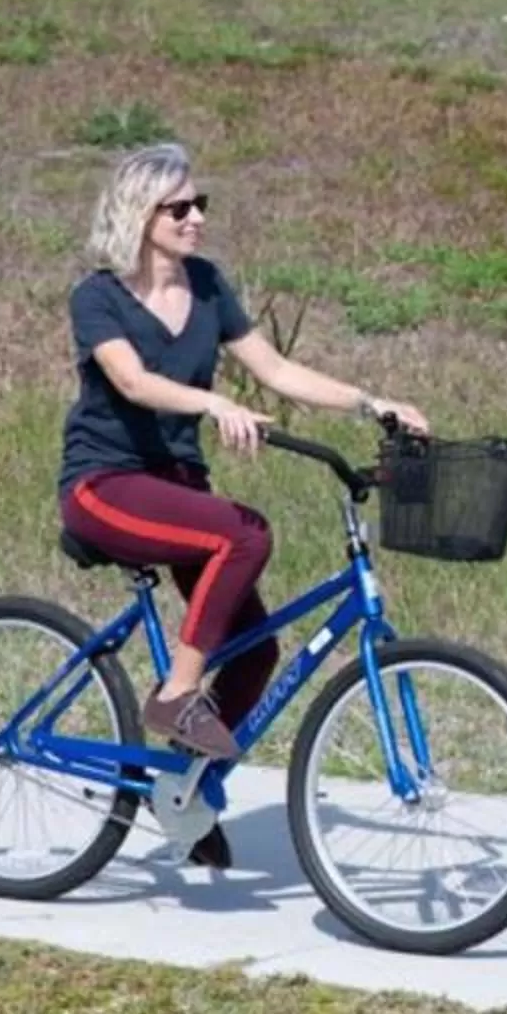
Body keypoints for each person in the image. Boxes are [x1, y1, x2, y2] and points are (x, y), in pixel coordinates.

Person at [55, 143, 426, 863]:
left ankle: (187, 794)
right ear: (140, 214)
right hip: (105, 484)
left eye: (202, 204)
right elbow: (131, 383)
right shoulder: (97, 297)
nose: (197, 218)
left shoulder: (207, 285)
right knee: (246, 534)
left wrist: (372, 404)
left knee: (257, 651)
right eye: (180, 207)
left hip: (176, 487)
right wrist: (214, 401)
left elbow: (278, 369)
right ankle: (177, 694)